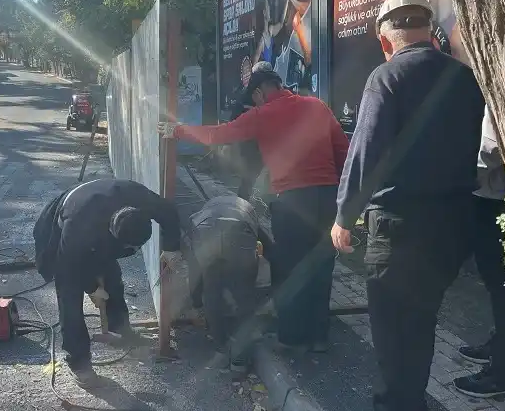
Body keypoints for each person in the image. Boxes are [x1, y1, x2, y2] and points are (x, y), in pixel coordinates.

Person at [330, 0, 485, 411]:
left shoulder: (386, 77)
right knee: (420, 323)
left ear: (385, 39)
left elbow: (366, 150)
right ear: (428, 28)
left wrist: (345, 215)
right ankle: (412, 398)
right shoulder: (464, 76)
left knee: (393, 336)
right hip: (455, 225)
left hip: (401, 229)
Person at [159, 61, 349, 352]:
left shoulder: (262, 114)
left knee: (289, 268)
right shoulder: (317, 107)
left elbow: (217, 135)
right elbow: (343, 151)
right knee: (321, 264)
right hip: (327, 196)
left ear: (260, 92)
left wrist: (178, 130)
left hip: (293, 200)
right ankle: (319, 336)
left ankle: (292, 338)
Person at [33, 178, 182, 388]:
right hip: (60, 227)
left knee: (112, 278)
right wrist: (93, 289)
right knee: (69, 296)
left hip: (100, 221)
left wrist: (172, 248)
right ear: (113, 232)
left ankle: (120, 330)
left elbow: (168, 212)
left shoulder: (141, 198)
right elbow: (70, 263)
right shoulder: (78, 226)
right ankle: (79, 362)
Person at [453, 106, 505, 398]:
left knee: (502, 285)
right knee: (500, 285)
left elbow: (491, 150)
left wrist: (459, 163)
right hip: (495, 195)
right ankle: (502, 347)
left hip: (494, 196)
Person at [184, 195, 266, 371]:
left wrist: (196, 301)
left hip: (206, 233)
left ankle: (220, 345)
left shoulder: (202, 214)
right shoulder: (248, 211)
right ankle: (240, 361)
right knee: (244, 296)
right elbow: (266, 250)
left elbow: (194, 267)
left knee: (211, 288)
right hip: (240, 235)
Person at [228, 89, 263, 200]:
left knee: (250, 177)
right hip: (253, 145)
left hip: (253, 145)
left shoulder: (243, 101)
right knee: (250, 176)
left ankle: (244, 200)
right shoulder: (245, 102)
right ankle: (244, 201)